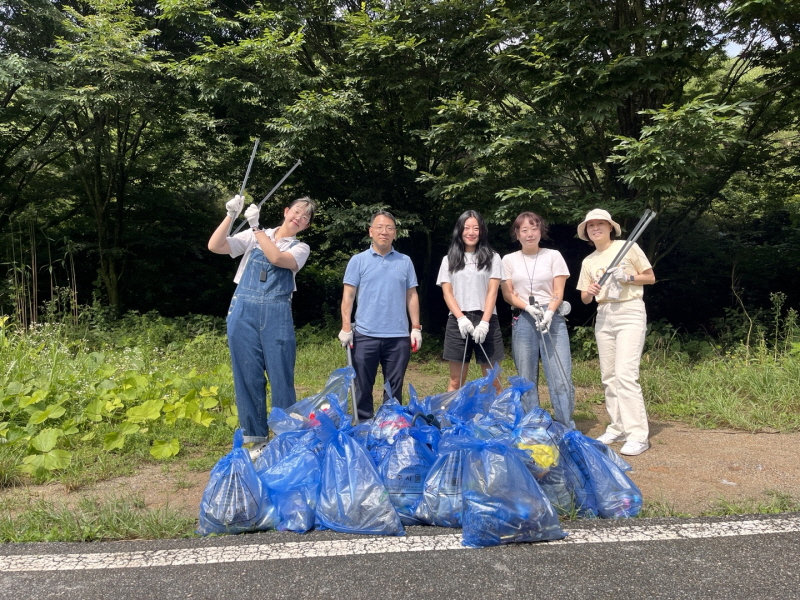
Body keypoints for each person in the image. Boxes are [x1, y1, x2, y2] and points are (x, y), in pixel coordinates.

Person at [208, 194, 316, 458]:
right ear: (286, 210)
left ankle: (284, 438)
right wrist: (231, 215)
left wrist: (255, 228)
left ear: (306, 225)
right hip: (243, 310)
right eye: (297, 211)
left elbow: (278, 259)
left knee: (281, 377)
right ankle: (256, 438)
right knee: (247, 376)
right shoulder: (256, 234)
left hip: (277, 313)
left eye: (305, 217)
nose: (299, 218)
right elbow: (215, 245)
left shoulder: (300, 247)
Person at [576, 208, 656, 456]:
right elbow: (585, 299)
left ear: (610, 227)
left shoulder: (628, 246)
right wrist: (589, 290)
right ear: (587, 232)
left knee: (625, 374)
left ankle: (637, 435)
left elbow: (650, 277)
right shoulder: (588, 261)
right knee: (608, 375)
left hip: (630, 311)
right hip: (604, 315)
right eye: (591, 226)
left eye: (601, 224)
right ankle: (617, 426)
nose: (596, 228)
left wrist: (627, 276)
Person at [339, 211, 422, 421]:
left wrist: (416, 328)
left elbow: (411, 295)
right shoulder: (358, 261)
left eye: (389, 228)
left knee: (394, 387)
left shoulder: (405, 261)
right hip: (365, 334)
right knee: (362, 386)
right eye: (379, 227)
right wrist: (346, 327)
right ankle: (363, 425)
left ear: (395, 233)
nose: (384, 232)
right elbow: (348, 295)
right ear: (371, 231)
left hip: (398, 336)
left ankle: (390, 425)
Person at [501, 211, 575, 428]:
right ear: (517, 234)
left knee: (560, 375)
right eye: (524, 230)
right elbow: (508, 294)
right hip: (524, 317)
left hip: (553, 317)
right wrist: (527, 307)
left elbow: (559, 290)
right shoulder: (508, 260)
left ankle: (564, 424)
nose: (530, 234)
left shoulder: (553, 256)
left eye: (534, 228)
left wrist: (550, 311)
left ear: (541, 231)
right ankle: (532, 424)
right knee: (526, 377)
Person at [436, 210, 504, 393]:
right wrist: (461, 318)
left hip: (487, 319)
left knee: (494, 380)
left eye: (476, 228)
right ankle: (451, 420)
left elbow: (492, 292)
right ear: (459, 230)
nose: (471, 232)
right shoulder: (448, 259)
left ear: (482, 231)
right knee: (456, 380)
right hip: (458, 321)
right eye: (467, 228)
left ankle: (499, 419)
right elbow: (447, 293)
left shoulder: (493, 257)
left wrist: (484, 322)